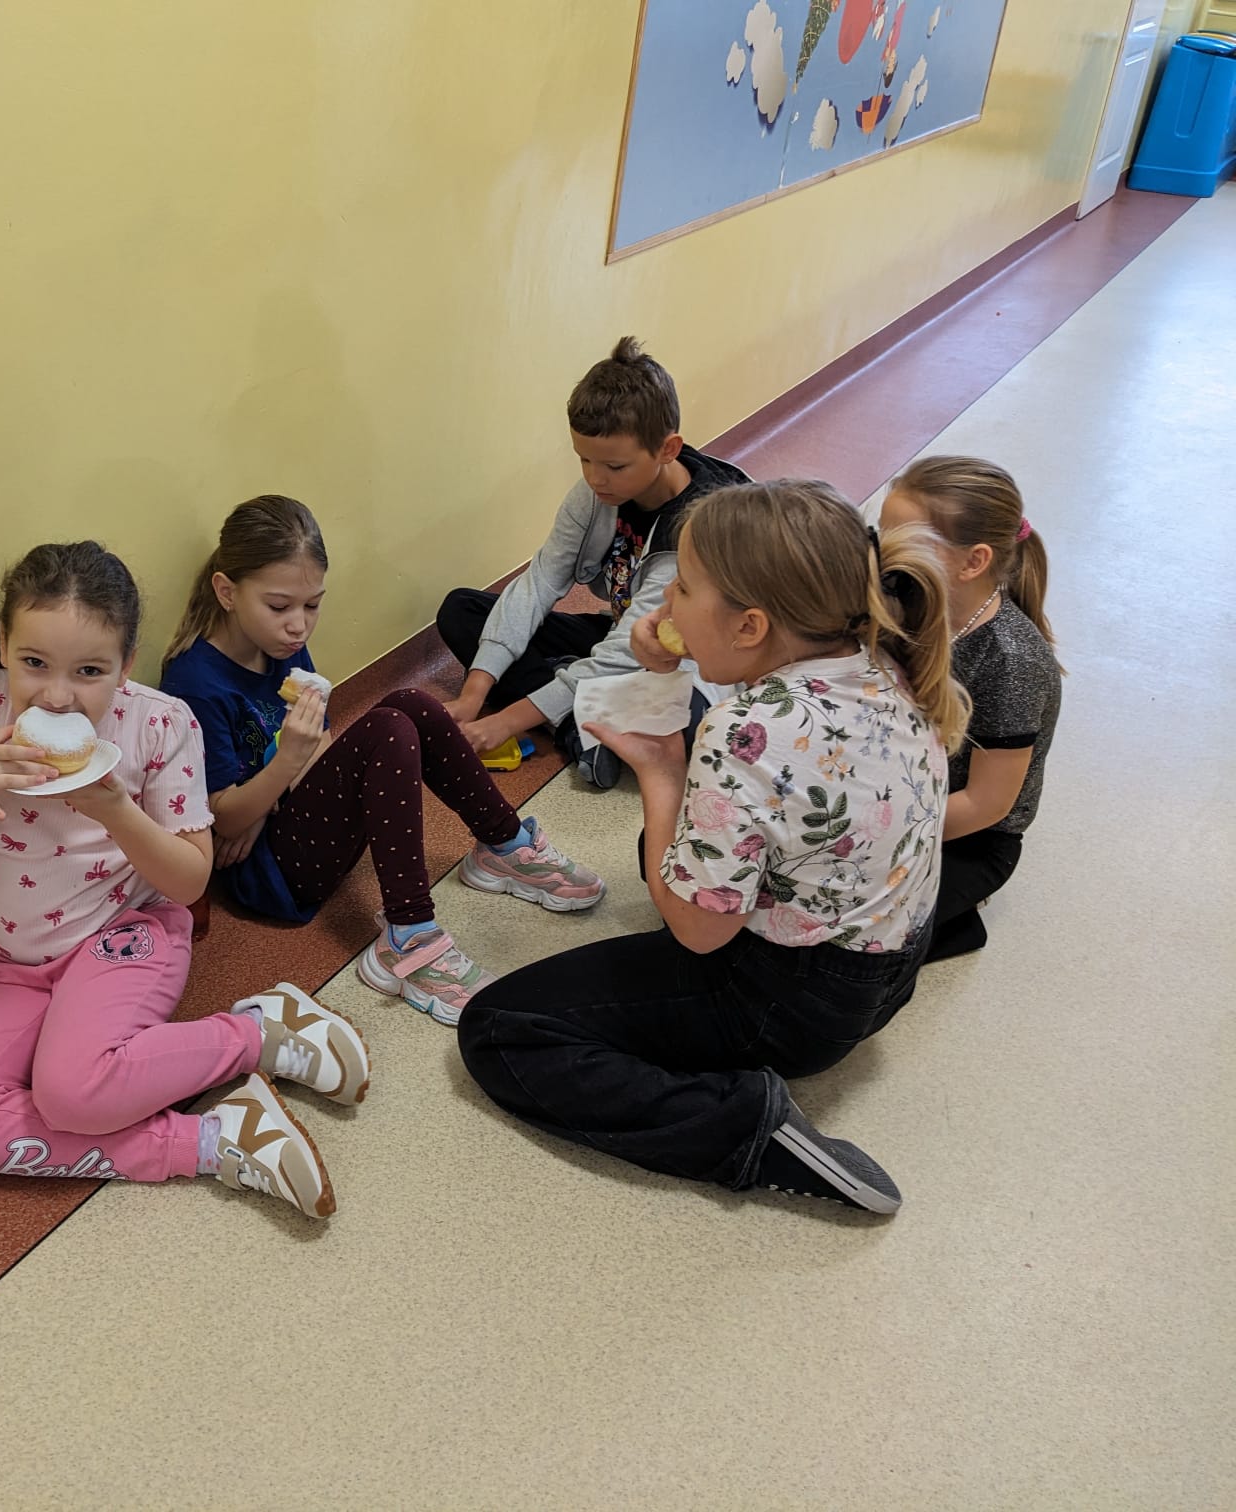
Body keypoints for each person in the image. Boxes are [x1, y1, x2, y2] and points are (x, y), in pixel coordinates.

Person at [458, 481, 967, 1214]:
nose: (664, 605)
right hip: (886, 972)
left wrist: (661, 773)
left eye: (683, 589)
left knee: (502, 1028)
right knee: (663, 851)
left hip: (793, 1005)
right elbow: (749, 718)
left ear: (751, 625)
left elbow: (698, 933)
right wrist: (666, 666)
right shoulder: (885, 659)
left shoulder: (744, 730)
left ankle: (743, 1126)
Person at [0, 540, 371, 1220]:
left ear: (126, 664)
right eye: (33, 663)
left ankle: (259, 1033)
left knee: (73, 1092)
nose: (57, 695)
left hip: (127, 933)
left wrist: (115, 810)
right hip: (9, 959)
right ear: (4, 645)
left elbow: (190, 881)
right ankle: (215, 1139)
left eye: (90, 671)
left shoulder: (159, 722)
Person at [161, 496, 603, 1026]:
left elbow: (320, 741)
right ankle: (408, 936)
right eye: (279, 606)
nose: (299, 626)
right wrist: (279, 776)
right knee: (387, 729)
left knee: (412, 704)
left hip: (281, 815)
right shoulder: (194, 683)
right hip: (267, 876)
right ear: (227, 591)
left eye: (312, 605)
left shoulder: (279, 644)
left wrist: (272, 792)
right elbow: (222, 826)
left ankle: (504, 844)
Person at [437, 337, 749, 788]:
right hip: (621, 635)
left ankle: (570, 711)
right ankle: (577, 724)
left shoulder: (701, 524)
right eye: (584, 459)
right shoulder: (596, 491)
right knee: (461, 611)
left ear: (668, 449)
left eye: (615, 467)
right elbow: (539, 583)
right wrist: (473, 695)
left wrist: (502, 722)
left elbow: (627, 653)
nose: (594, 478)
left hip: (684, 665)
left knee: (689, 725)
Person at [881, 456, 1061, 962]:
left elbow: (988, 804)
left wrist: (879, 832)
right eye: (882, 533)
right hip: (897, 793)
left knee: (851, 935)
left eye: (905, 540)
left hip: (965, 837)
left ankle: (957, 926)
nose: (883, 554)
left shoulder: (1011, 661)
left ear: (973, 561)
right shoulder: (902, 598)